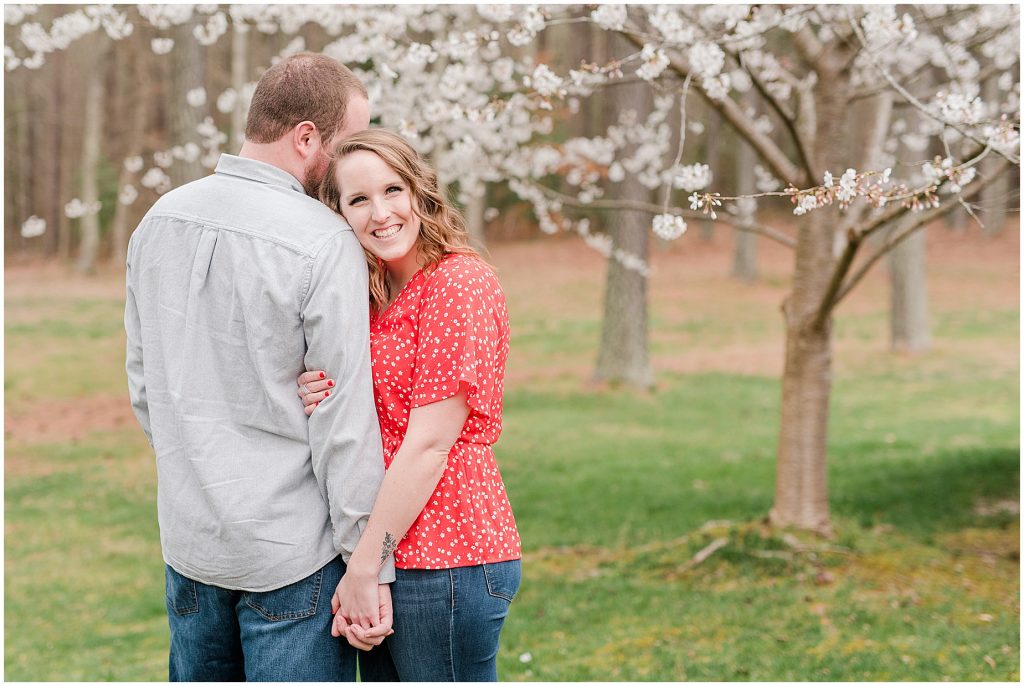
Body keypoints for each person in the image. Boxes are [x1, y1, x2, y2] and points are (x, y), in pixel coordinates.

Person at [124, 52, 395, 681]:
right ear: (306, 138)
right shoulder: (324, 240)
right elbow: (343, 420)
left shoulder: (158, 220)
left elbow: (145, 388)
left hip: (190, 545)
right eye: (348, 141)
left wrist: (197, 471)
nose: (354, 159)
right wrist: (368, 565)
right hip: (290, 555)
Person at [296, 128, 522, 681]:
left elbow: (427, 444)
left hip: (448, 557)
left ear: (419, 192)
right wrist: (315, 389)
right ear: (338, 213)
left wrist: (365, 565)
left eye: (392, 190)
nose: (380, 213)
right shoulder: (371, 297)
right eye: (358, 199)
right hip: (391, 556)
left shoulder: (457, 283)